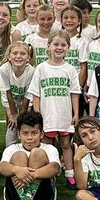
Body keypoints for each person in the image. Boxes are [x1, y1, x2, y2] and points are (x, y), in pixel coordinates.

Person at [29, 30, 81, 189]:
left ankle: (70, 174)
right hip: (47, 115)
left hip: (64, 115)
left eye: (63, 45)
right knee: (47, 145)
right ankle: (48, 174)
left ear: (68, 48)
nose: (59, 48)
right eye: (56, 44)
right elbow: (36, 94)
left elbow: (74, 93)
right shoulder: (41, 68)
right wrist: (37, 114)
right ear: (49, 46)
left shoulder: (70, 69)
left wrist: (76, 113)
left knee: (66, 144)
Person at [0, 111, 61, 200]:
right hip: (14, 198)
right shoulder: (12, 148)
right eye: (25, 133)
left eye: (34, 133)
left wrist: (32, 174)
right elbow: (2, 167)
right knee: (19, 155)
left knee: (37, 153)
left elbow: (55, 168)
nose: (29, 138)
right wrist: (17, 170)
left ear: (41, 134)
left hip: (43, 198)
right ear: (19, 134)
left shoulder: (49, 148)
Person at [0, 42, 35, 146]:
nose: (18, 56)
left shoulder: (32, 71)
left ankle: (29, 147)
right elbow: (7, 92)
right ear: (9, 57)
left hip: (27, 101)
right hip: (11, 100)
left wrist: (22, 114)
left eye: (22, 54)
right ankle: (9, 149)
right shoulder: (4, 69)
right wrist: (13, 115)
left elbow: (28, 95)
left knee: (26, 123)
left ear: (28, 58)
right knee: (12, 123)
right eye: (15, 53)